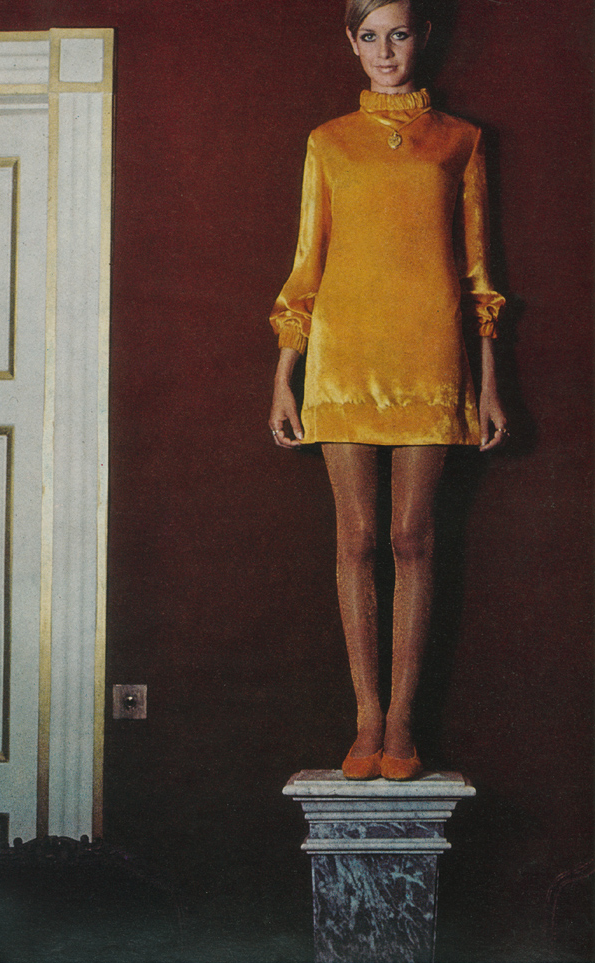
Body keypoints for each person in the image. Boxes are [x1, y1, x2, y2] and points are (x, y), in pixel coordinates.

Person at [268, 0, 508, 780]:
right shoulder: (328, 142)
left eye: (397, 33)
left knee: (412, 537)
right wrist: (284, 377)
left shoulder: (461, 141)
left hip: (431, 356)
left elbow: (478, 274)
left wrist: (489, 386)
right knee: (357, 538)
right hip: (342, 358)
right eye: (369, 36)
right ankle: (365, 716)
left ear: (421, 38)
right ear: (351, 42)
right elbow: (306, 266)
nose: (385, 50)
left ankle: (402, 720)